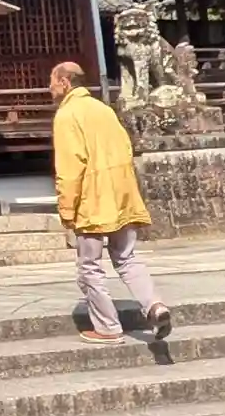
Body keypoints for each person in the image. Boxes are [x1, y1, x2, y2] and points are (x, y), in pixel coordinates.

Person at [50, 60, 174, 344]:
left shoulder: (67, 114)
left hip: (91, 200)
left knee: (90, 267)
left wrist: (67, 209)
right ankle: (155, 305)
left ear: (65, 82)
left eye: (52, 82)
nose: (50, 88)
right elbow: (126, 149)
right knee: (127, 258)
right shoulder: (104, 110)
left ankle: (107, 327)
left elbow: (71, 167)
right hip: (121, 195)